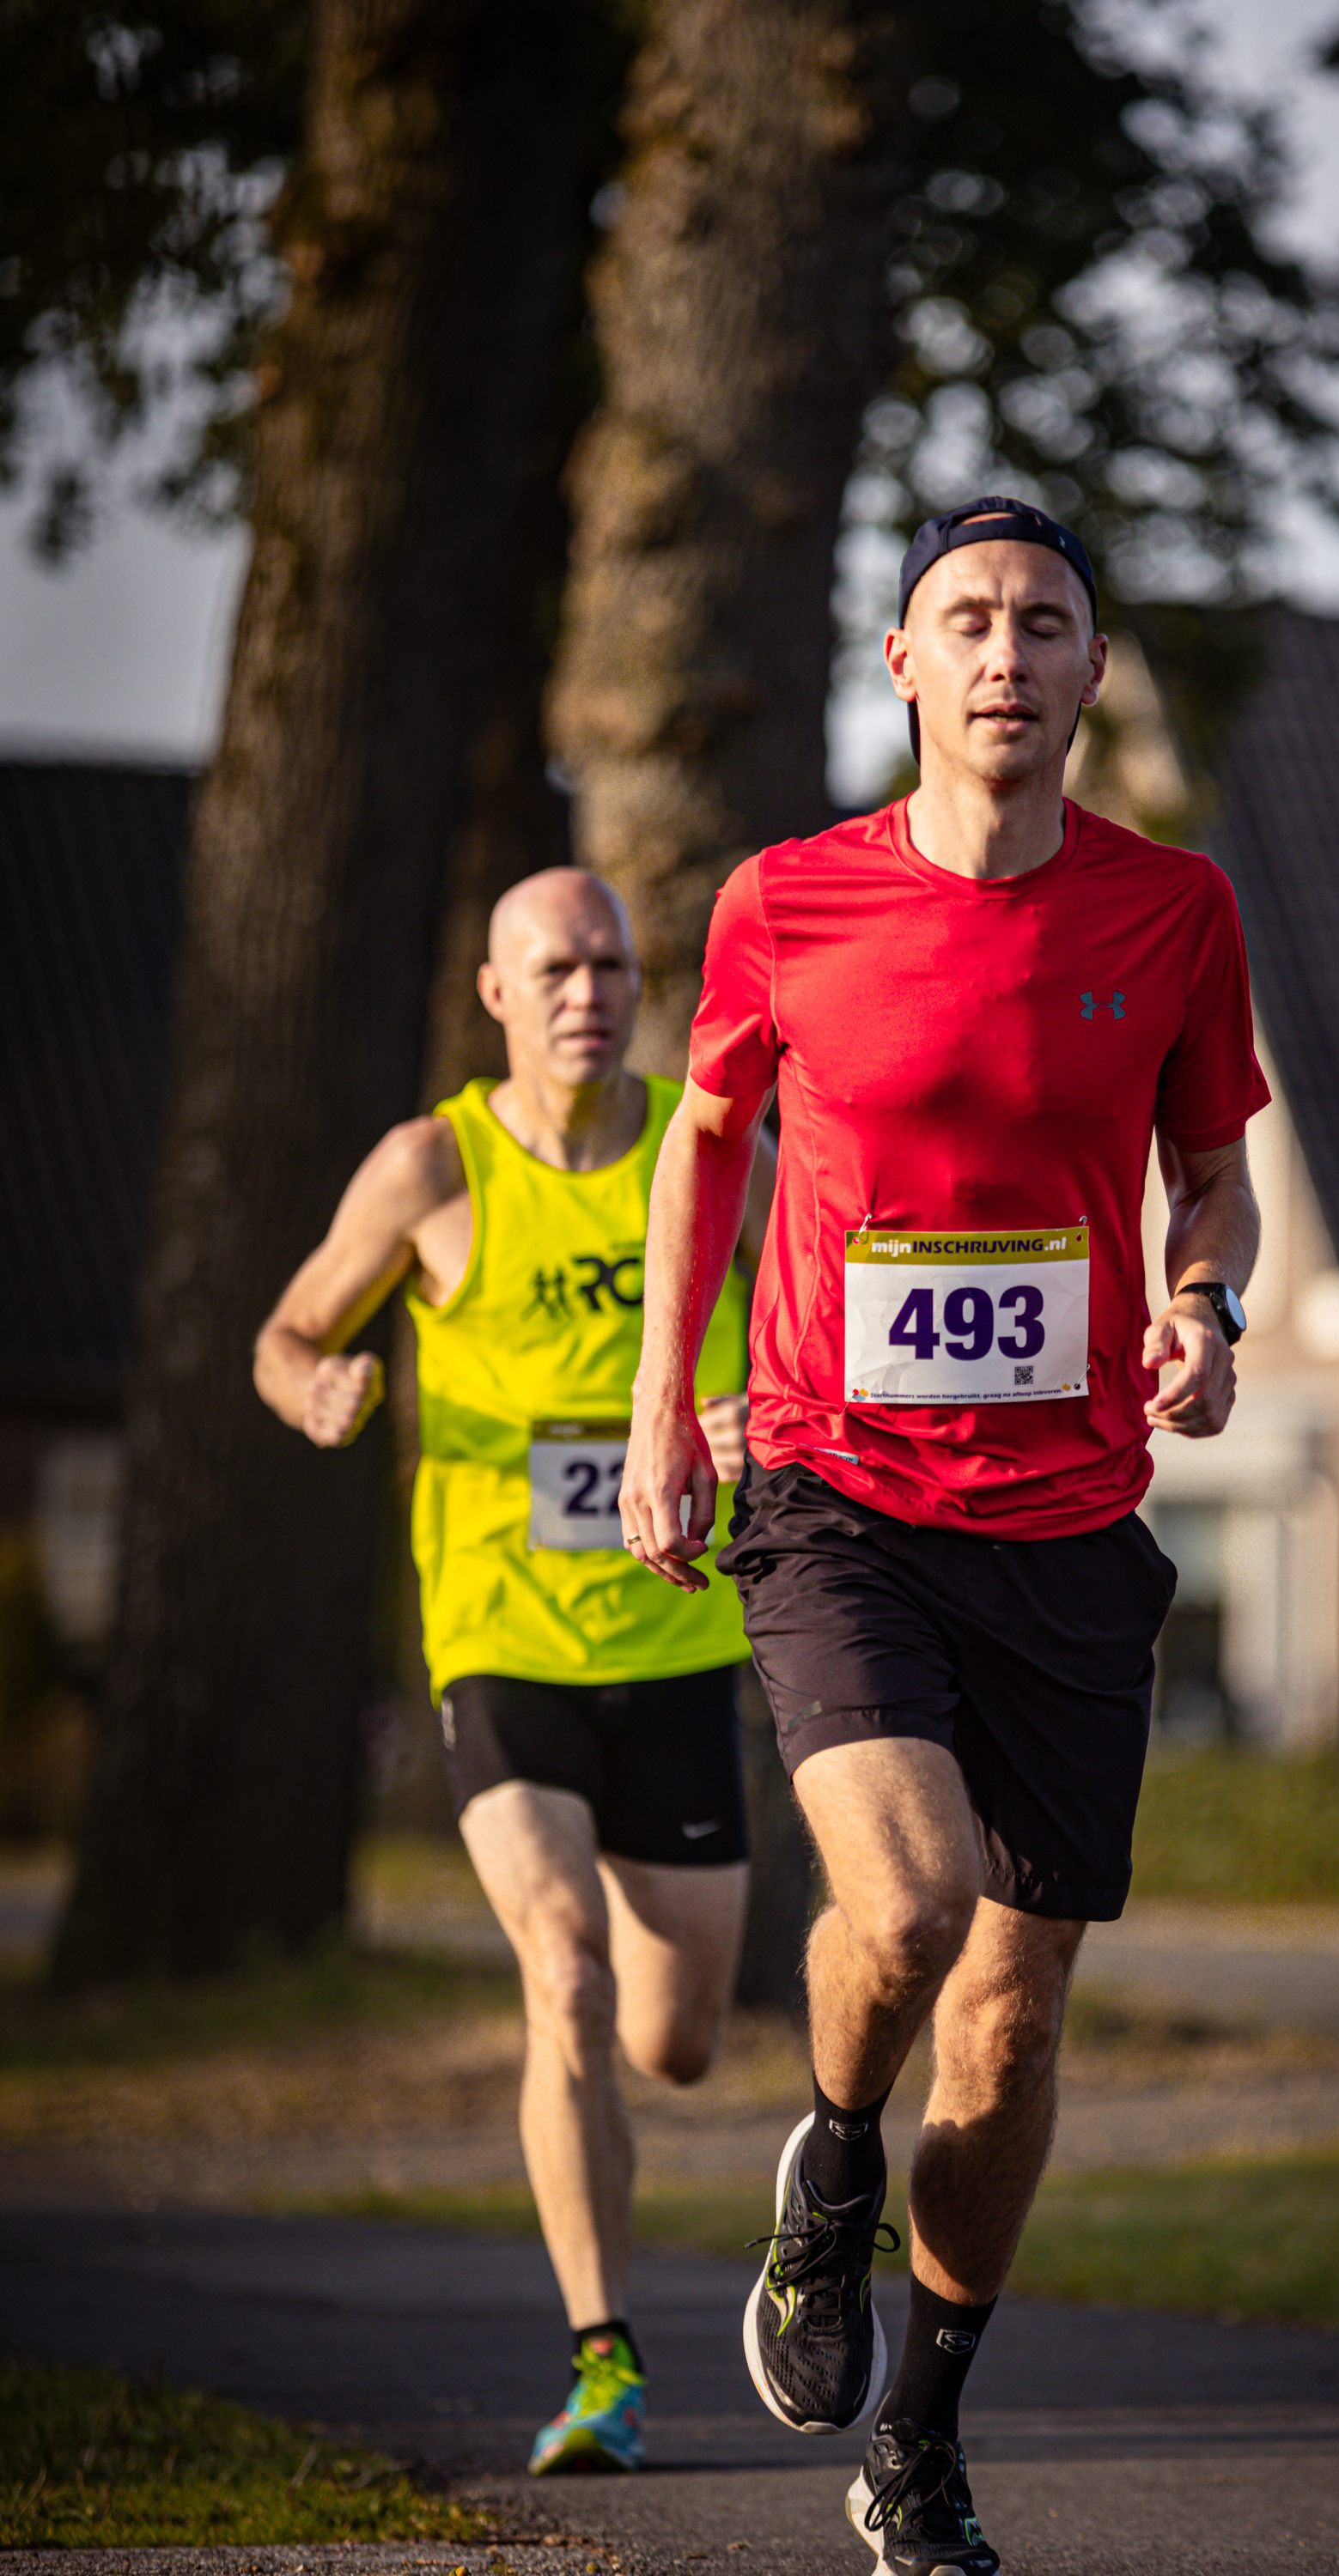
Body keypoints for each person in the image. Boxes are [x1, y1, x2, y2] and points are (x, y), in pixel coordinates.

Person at [619, 497, 1268, 2573]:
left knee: (1011, 2016)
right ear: (897, 664)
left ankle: (919, 2436)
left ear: (1089, 677)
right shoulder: (786, 904)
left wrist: (1205, 1301)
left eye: (1045, 624)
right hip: (835, 1488)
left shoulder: (1174, 912)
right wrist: (666, 1399)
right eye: (965, 620)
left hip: (1072, 1517)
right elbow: (705, 1144)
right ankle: (825, 2163)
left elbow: (1214, 1177)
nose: (1005, 652)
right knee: (898, 1914)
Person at [255, 867, 772, 2476]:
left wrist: (761, 1410)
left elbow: (805, 1340)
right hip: (501, 1643)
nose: (586, 993)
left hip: (682, 1640)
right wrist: (315, 1393)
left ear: (644, 983)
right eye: (552, 968)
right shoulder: (431, 1167)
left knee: (674, 2041)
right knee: (562, 1969)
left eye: (612, 965)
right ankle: (602, 2362)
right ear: (496, 993)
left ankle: (625, 1978)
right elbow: (285, 1334)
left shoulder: (717, 1150)